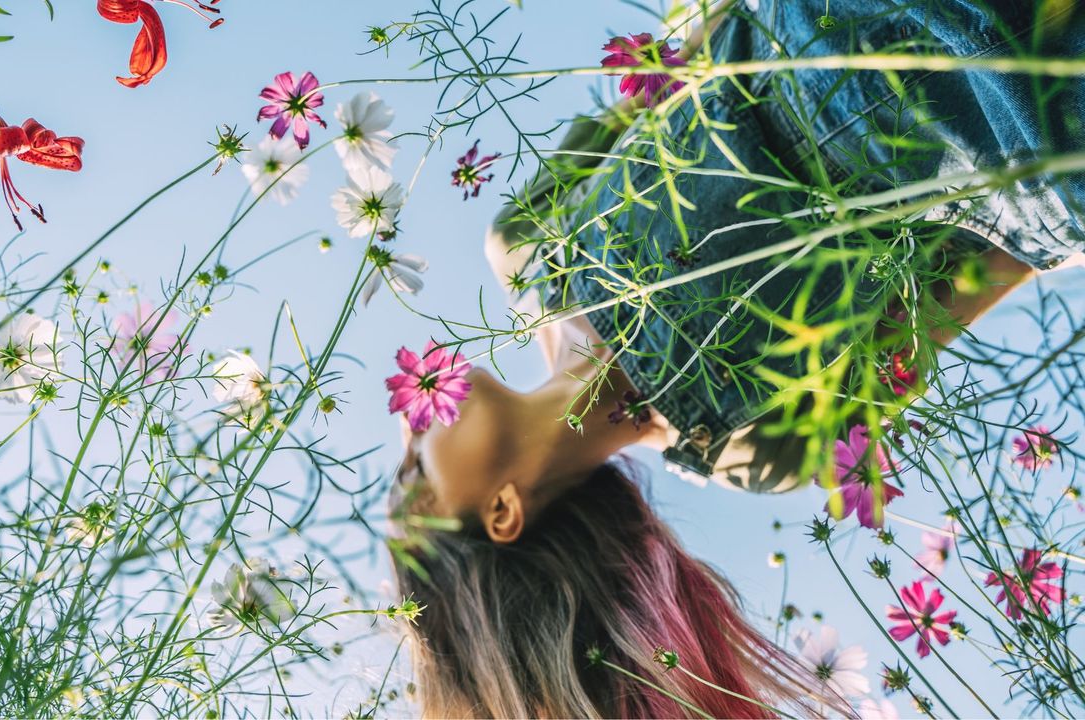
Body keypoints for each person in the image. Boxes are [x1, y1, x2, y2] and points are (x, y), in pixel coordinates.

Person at [389, 0, 1084, 716]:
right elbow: (981, 272)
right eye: (416, 471)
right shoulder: (752, 452)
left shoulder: (533, 246)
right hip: (1013, 110)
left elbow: (678, 47)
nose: (406, 428)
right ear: (502, 513)